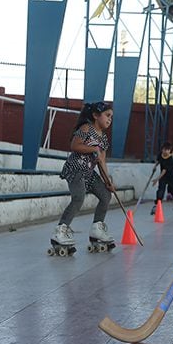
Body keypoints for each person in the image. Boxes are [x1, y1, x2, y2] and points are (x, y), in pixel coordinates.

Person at [50, 101, 116, 255]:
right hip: (76, 168)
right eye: (107, 115)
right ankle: (60, 231)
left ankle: (97, 230)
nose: (109, 119)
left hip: (88, 173)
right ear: (95, 115)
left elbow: (102, 162)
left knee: (106, 195)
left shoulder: (104, 139)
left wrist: (108, 182)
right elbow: (75, 145)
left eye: (111, 117)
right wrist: (93, 149)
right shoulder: (86, 128)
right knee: (78, 197)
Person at [151, 142, 173, 214]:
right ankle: (157, 204)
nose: (165, 151)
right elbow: (158, 161)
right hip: (163, 177)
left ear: (170, 151)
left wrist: (156, 179)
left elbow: (164, 170)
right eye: (164, 150)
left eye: (167, 150)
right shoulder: (160, 155)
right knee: (161, 189)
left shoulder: (170, 159)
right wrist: (155, 166)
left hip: (171, 176)